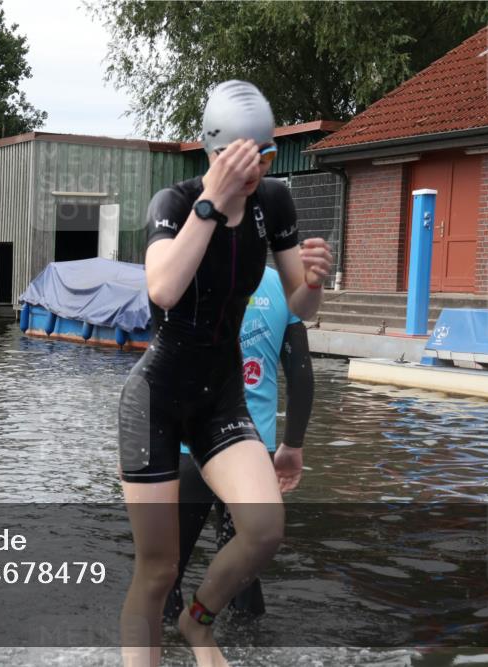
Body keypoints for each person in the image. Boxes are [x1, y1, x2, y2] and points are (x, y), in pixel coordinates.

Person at [118, 80, 332, 667]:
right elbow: (163, 289)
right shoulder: (174, 202)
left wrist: (314, 282)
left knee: (264, 529)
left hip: (221, 396)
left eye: (266, 156)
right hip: (156, 401)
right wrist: (210, 203)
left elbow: (300, 305)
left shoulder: (274, 203)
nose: (256, 170)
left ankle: (198, 622)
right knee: (158, 570)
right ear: (215, 152)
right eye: (244, 158)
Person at [162, 265, 315, 624]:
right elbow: (301, 376)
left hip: (190, 449)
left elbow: (161, 368)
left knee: (166, 569)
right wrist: (292, 444)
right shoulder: (283, 287)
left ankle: (166, 642)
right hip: (252, 449)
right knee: (244, 568)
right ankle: (247, 642)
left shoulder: (185, 276)